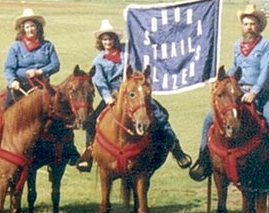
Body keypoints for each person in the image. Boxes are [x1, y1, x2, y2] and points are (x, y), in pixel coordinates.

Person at [75, 19, 192, 172]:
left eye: (110, 38)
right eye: (104, 39)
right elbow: (99, 80)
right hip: (113, 96)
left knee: (160, 115)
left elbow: (139, 61)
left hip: (134, 92)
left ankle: (175, 148)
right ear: (100, 41)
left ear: (115, 39)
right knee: (92, 122)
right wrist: (107, 96)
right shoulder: (99, 60)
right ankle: (89, 152)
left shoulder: (128, 51)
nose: (107, 42)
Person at [189, 4, 269, 183]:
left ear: (259, 26)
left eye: (252, 24)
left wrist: (254, 92)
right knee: (209, 119)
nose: (249, 27)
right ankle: (203, 160)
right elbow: (235, 68)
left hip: (260, 93)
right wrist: (221, 80)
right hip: (237, 92)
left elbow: (265, 72)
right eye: (246, 24)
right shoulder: (237, 45)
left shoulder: (267, 46)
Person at [3, 8, 60, 103]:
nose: (30, 30)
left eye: (32, 26)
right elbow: (8, 68)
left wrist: (39, 72)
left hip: (42, 85)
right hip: (21, 85)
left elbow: (55, 65)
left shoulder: (47, 46)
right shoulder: (16, 46)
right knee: (8, 110)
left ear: (38, 28)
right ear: (23, 30)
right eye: (27, 27)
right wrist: (13, 81)